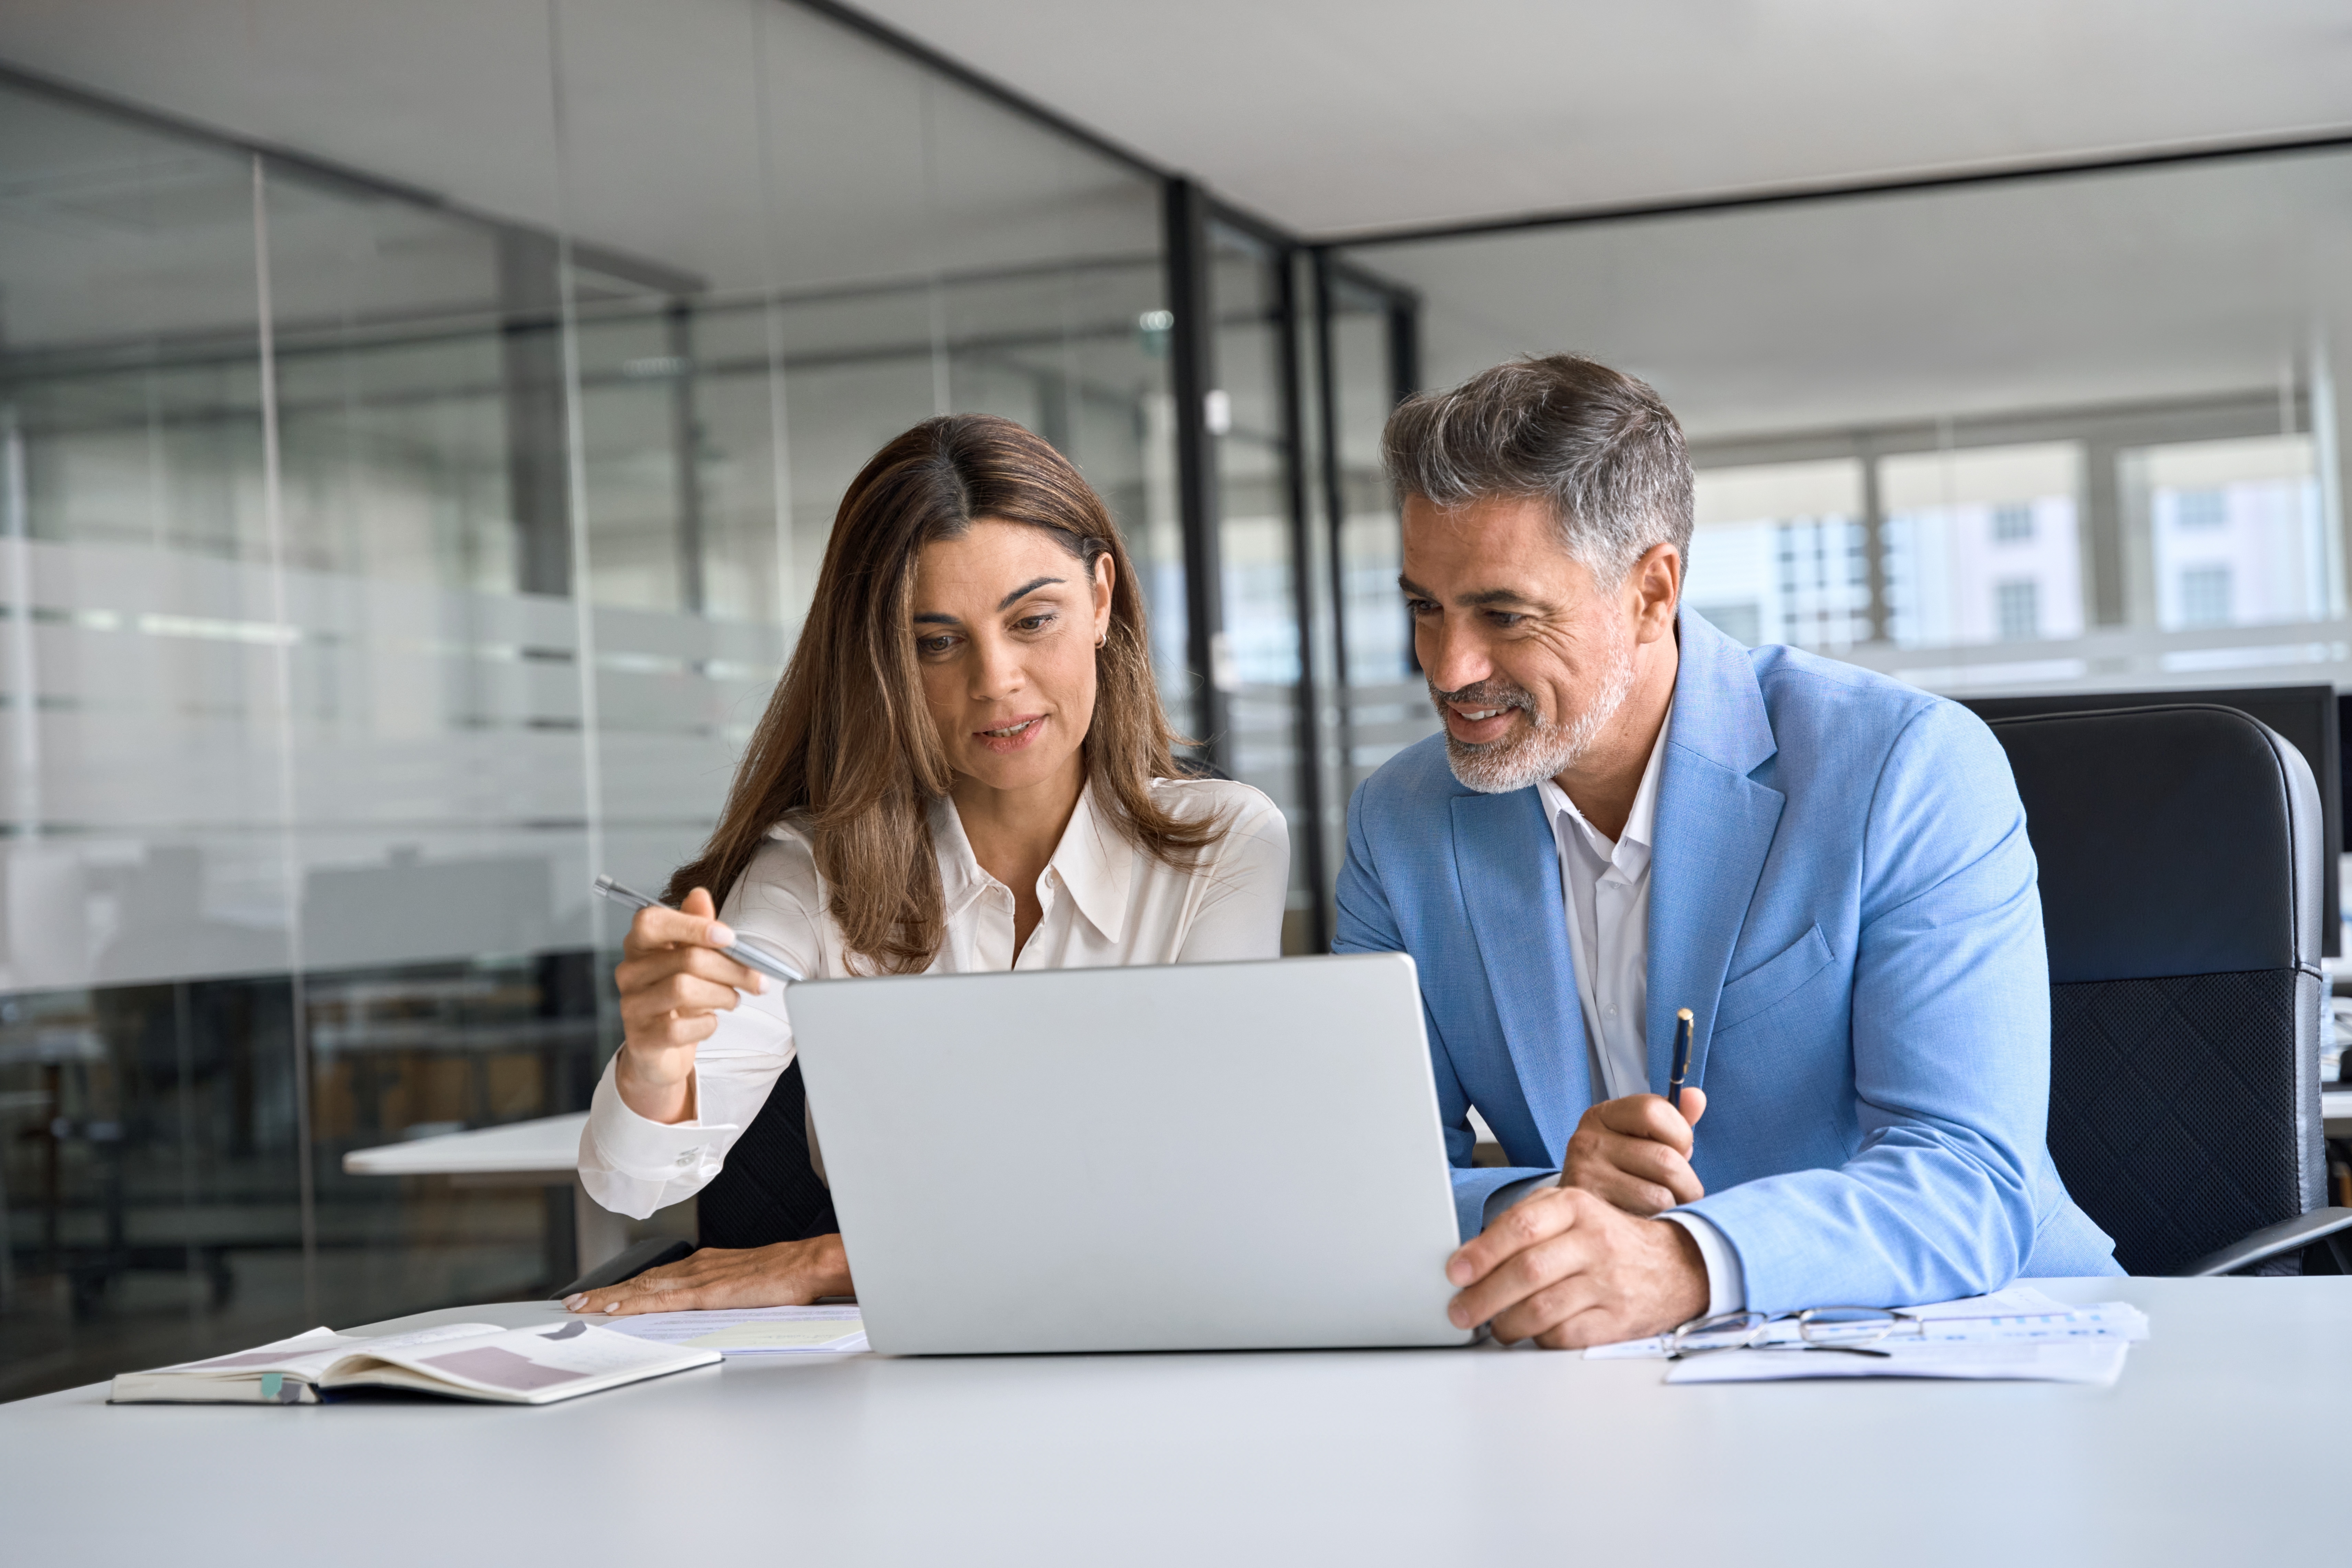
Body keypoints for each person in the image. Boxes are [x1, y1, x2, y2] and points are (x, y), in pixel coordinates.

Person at [1335, 353, 2120, 1350]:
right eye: (1425, 609)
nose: (1451, 669)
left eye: (1504, 615)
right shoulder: (1400, 823)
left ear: (1652, 592)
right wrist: (1552, 1211)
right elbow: (1368, 1188)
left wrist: (1685, 1260)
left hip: (1960, 1349)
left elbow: (1967, 1179)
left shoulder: (1905, 767)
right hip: (1602, 1389)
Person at [566, 414, 1289, 1315]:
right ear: (885, 659)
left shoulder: (1224, 846)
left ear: (1101, 599)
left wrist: (833, 1263)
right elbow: (631, 1185)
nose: (996, 681)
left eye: (1033, 620)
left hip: (1133, 1343)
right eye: (936, 641)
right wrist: (655, 1061)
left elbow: (1187, 1194)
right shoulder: (815, 868)